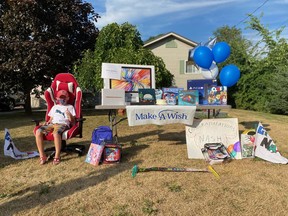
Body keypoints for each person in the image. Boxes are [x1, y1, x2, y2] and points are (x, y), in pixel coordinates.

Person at [35, 90, 76, 165]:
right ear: (57, 98)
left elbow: (72, 121)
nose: (62, 99)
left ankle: (57, 156)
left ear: (67, 98)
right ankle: (42, 155)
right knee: (38, 132)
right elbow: (51, 118)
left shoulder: (70, 107)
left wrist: (69, 114)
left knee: (56, 133)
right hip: (52, 123)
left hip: (62, 124)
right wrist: (47, 123)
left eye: (64, 98)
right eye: (60, 98)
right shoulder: (55, 107)